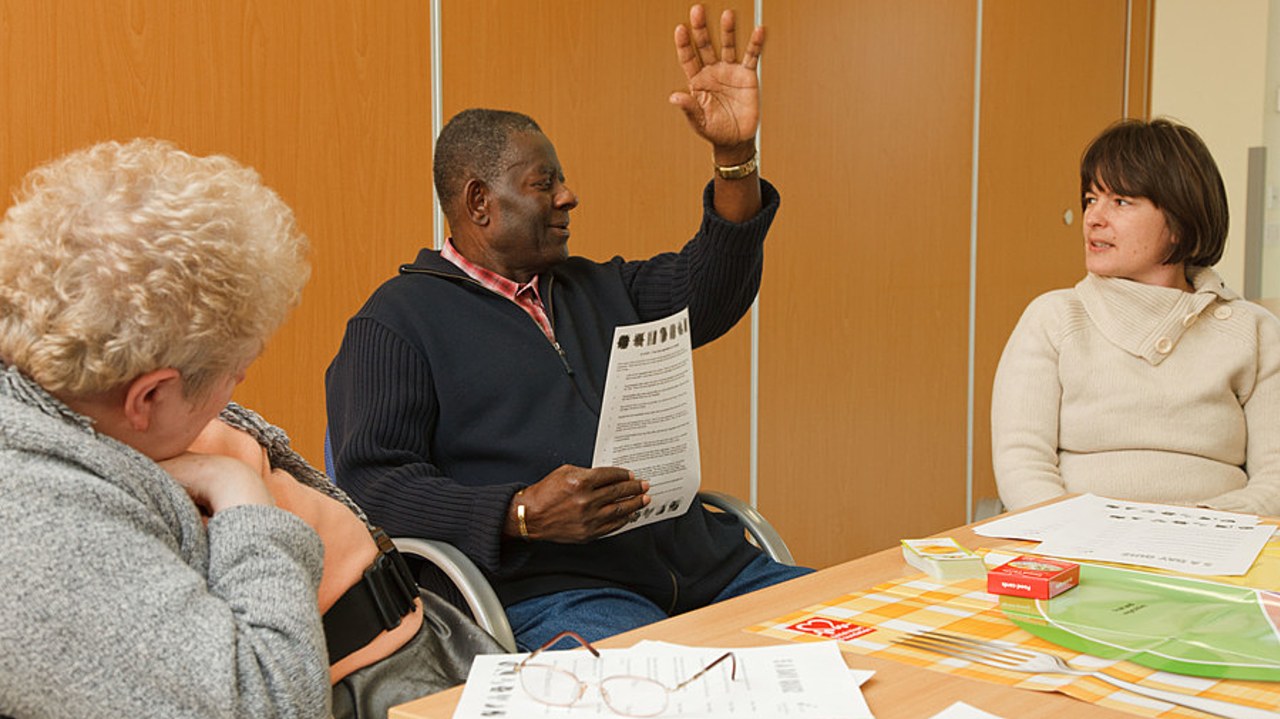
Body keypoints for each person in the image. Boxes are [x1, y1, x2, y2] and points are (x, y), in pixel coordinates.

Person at [326, 4, 810, 651]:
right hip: (560, 592)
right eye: (544, 182)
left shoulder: (598, 286)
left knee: (862, 636)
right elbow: (373, 486)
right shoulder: (396, 322)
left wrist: (735, 156)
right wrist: (519, 512)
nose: (568, 195)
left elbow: (711, 291)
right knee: (661, 687)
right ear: (479, 202)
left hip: (706, 569)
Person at [0, 139, 498, 719]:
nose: (235, 392)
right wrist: (241, 495)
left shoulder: (80, 391)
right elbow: (266, 705)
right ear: (150, 397)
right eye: (235, 373)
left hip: (413, 641)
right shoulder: (42, 533)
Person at [991, 118, 1280, 515]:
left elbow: (1275, 479)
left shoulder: (1254, 331)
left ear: (1179, 222)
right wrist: (1078, 528)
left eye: (1121, 202)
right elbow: (1021, 463)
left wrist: (1195, 525)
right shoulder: (1053, 318)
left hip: (1217, 540)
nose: (1093, 218)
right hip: (1076, 538)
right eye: (1091, 199)